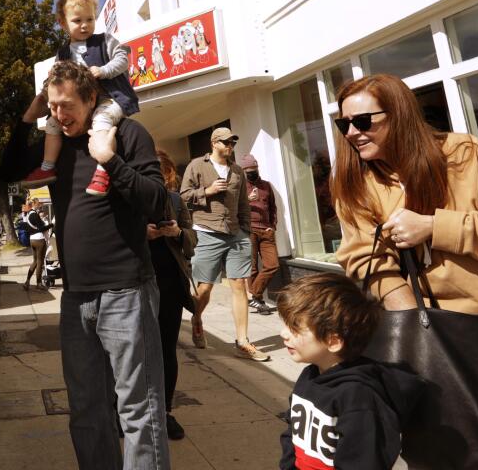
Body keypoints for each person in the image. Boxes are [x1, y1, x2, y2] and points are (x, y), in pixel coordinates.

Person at [332, 74, 478, 469]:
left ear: (401, 115)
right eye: (344, 124)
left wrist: (435, 227)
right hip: (441, 354)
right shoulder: (354, 182)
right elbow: (364, 259)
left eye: (363, 121)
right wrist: (415, 328)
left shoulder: (464, 155)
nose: (352, 133)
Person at [0, 60, 170, 470]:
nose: (59, 115)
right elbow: (6, 171)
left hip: (126, 290)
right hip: (76, 298)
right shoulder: (53, 146)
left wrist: (110, 161)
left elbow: (158, 202)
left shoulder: (127, 133)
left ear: (92, 99)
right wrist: (31, 112)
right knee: (86, 412)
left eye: (67, 105)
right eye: (53, 105)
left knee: (139, 413)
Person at [277, 273, 424, 470]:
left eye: (294, 327)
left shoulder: (358, 395)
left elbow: (363, 460)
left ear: (333, 341)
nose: (283, 334)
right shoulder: (310, 375)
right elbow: (293, 431)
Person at [21, 0, 140, 197]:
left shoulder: (105, 40)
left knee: (102, 120)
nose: (85, 25)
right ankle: (47, 168)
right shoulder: (63, 53)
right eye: (77, 21)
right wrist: (44, 94)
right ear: (62, 23)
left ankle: (104, 170)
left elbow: (123, 60)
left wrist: (103, 71)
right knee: (52, 123)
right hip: (81, 104)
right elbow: (55, 80)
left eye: (90, 19)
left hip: (110, 99)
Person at [180, 127, 269, 361]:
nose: (230, 146)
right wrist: (207, 191)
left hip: (236, 232)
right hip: (207, 232)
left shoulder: (237, 171)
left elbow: (243, 205)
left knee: (240, 284)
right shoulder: (197, 166)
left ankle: (242, 341)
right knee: (205, 288)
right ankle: (197, 318)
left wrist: (246, 231)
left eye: (232, 142)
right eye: (226, 142)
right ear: (214, 143)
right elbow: (182, 196)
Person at [152, 150, 197, 441]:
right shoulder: (128, 198)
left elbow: (193, 242)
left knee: (166, 348)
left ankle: (165, 412)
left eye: (157, 171)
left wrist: (177, 232)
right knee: (131, 352)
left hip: (169, 283)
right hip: (133, 284)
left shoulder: (176, 200)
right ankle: (124, 409)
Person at [240, 154, 278, 315]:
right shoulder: (240, 188)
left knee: (273, 265)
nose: (252, 173)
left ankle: (253, 296)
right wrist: (248, 200)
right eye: (248, 171)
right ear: (243, 171)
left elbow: (273, 207)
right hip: (249, 230)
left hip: (266, 231)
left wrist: (273, 226)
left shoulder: (266, 186)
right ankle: (259, 301)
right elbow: (234, 209)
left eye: (254, 170)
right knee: (253, 268)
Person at [24, 198, 52, 290]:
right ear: (34, 204)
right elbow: (42, 228)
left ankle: (27, 282)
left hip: (32, 239)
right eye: (38, 204)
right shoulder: (35, 215)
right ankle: (39, 283)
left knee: (35, 261)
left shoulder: (28, 214)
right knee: (40, 262)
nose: (40, 206)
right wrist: (52, 225)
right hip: (39, 239)